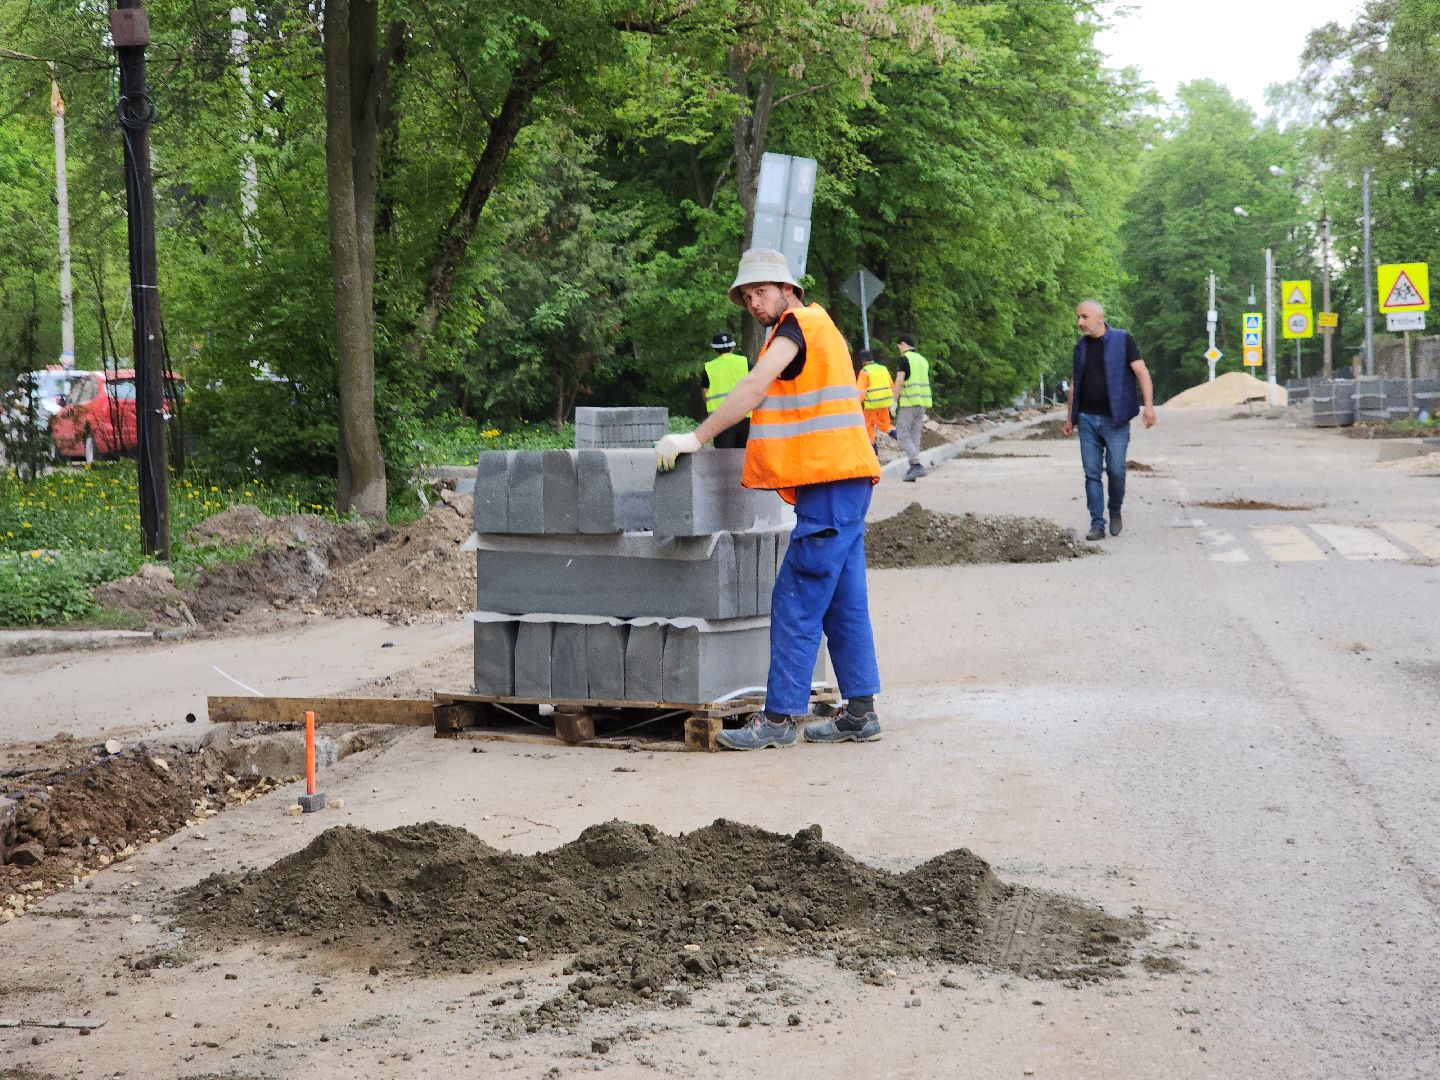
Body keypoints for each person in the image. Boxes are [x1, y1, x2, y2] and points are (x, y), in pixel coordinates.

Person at [655, 248, 883, 750]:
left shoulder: (795, 327)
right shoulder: (823, 326)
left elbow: (755, 387)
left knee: (796, 598)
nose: (755, 304)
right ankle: (860, 712)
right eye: (748, 297)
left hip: (830, 482)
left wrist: (695, 437)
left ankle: (778, 720)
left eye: (761, 292)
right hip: (846, 478)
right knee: (844, 601)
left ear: (787, 288)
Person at [1062, 300, 1156, 541]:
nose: (1079, 322)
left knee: (1115, 470)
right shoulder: (1080, 348)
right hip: (1087, 420)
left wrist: (1148, 407)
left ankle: (1115, 508)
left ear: (1098, 318)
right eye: (1078, 318)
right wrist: (1069, 418)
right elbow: (1075, 384)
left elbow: (1142, 373)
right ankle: (1097, 523)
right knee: (1091, 473)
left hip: (1116, 420)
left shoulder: (1123, 340)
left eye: (1083, 317)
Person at [891, 333, 931, 481]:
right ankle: (913, 467)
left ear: (903, 344)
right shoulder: (922, 360)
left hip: (909, 403)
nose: (899, 350)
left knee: (902, 435)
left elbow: (900, 381)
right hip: (922, 404)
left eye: (898, 347)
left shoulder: (905, 359)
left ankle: (916, 465)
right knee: (915, 436)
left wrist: (894, 401)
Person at [702, 332, 750, 449]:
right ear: (732, 347)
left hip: (721, 420)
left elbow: (705, 394)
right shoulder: (744, 362)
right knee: (744, 457)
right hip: (745, 418)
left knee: (723, 459)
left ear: (715, 349)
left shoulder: (709, 367)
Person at [853, 347, 894, 451]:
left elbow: (861, 392)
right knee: (886, 425)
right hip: (885, 403)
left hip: (871, 405)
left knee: (868, 427)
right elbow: (891, 385)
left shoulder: (865, 371)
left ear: (863, 361)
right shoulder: (883, 368)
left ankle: (873, 450)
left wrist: (855, 405)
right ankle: (900, 438)